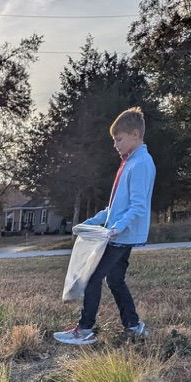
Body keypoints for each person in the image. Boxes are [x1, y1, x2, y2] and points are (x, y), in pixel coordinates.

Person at [55, 106, 156, 345]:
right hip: (119, 234)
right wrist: (89, 223)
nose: (115, 145)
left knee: (93, 278)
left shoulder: (141, 163)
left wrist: (116, 228)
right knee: (115, 280)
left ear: (135, 134)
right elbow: (114, 208)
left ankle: (85, 329)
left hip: (121, 236)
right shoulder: (130, 162)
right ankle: (133, 326)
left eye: (118, 139)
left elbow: (138, 206)